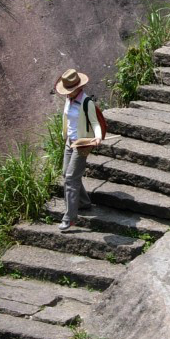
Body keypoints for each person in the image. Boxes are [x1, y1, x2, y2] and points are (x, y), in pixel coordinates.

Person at [55, 68, 102, 232]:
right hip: (70, 142)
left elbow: (95, 122)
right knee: (65, 173)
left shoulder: (86, 102)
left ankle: (69, 218)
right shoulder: (69, 99)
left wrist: (97, 137)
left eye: (69, 90)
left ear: (77, 88)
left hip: (82, 143)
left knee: (70, 178)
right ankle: (83, 202)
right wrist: (64, 134)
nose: (67, 93)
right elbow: (66, 117)